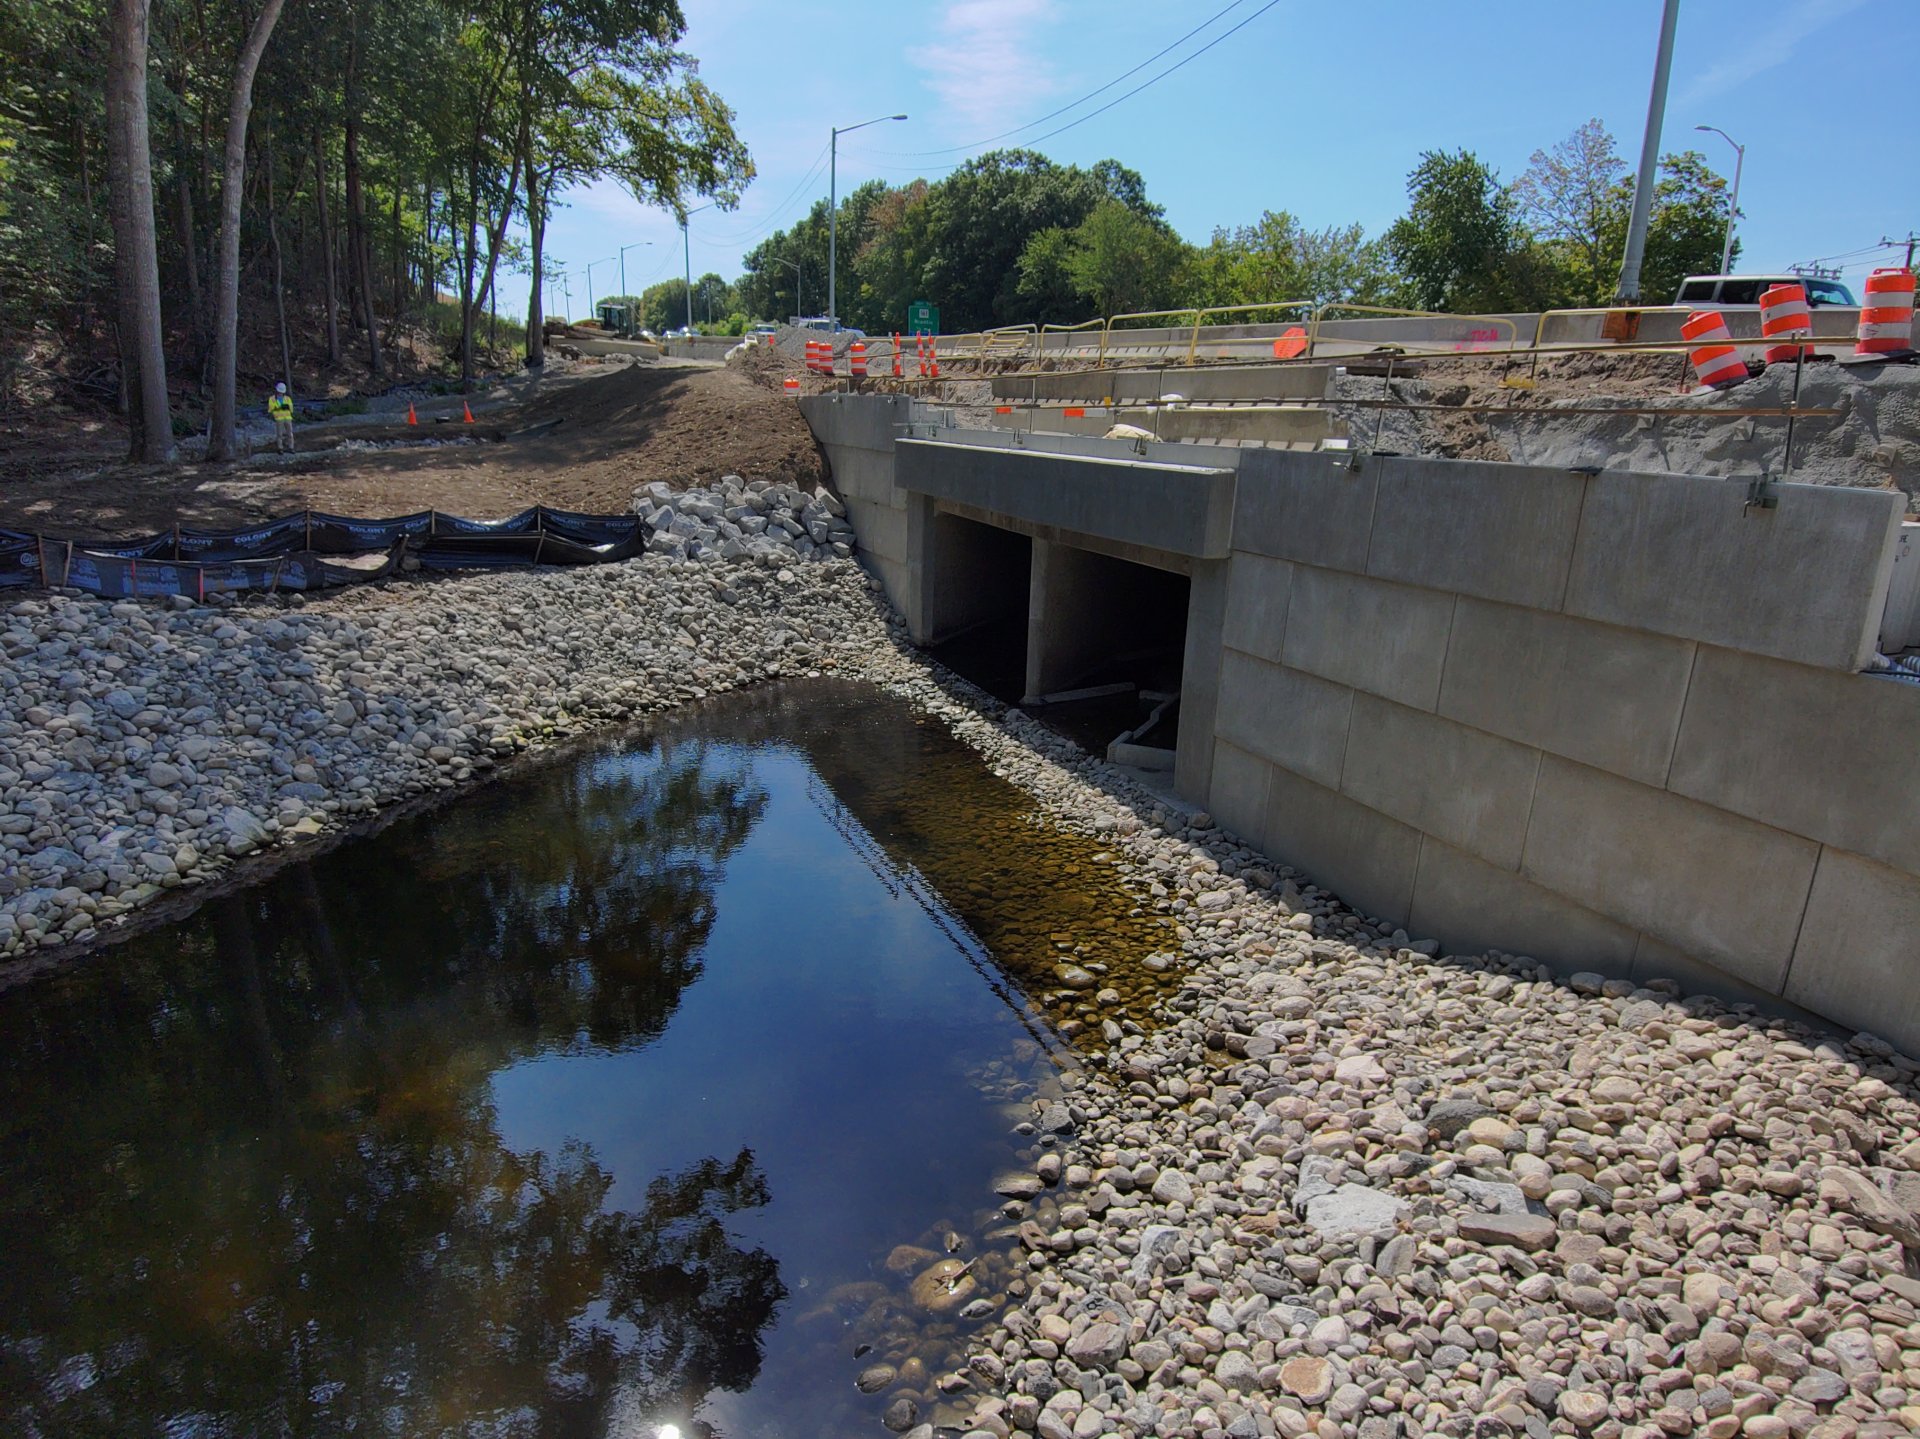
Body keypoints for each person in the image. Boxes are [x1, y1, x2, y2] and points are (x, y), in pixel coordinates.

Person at [267, 382, 295, 453]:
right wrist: (282, 407)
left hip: (288, 418)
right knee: (279, 434)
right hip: (279, 419)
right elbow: (270, 409)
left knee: (290, 433)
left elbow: (291, 409)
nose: (280, 393)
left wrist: (280, 407)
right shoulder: (272, 399)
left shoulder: (287, 399)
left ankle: (291, 447)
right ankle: (280, 448)